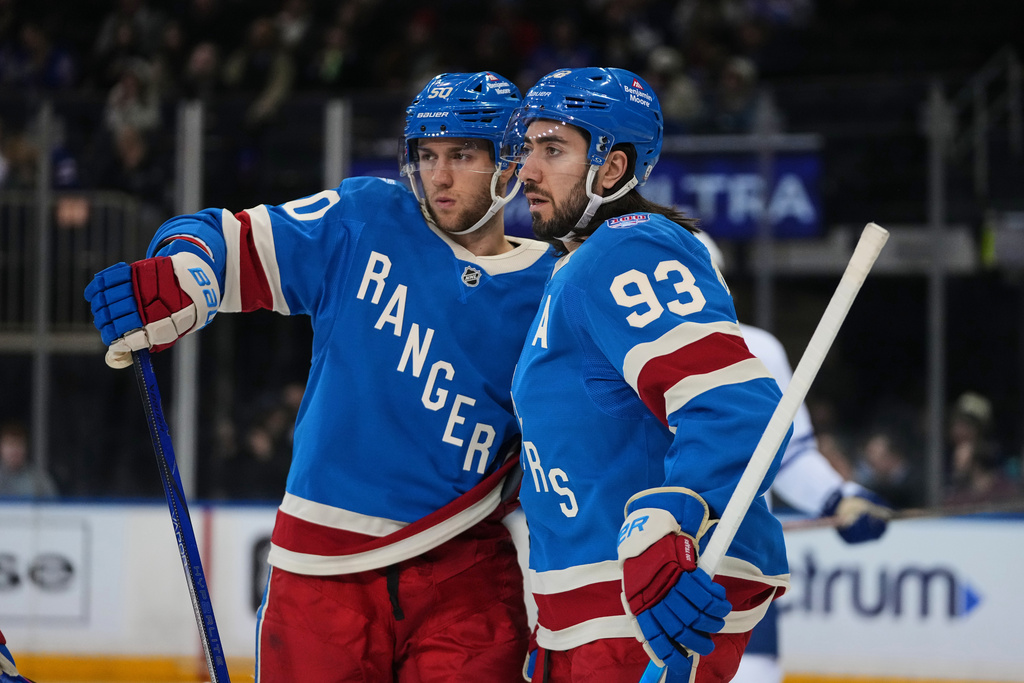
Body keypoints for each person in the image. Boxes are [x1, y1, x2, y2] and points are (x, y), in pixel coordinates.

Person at [84, 71, 553, 682]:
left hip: (466, 576)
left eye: (462, 155)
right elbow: (226, 239)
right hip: (321, 572)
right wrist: (187, 273)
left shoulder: (556, 284)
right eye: (428, 155)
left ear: (509, 164)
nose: (439, 176)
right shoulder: (365, 217)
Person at [505, 67, 791, 682]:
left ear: (611, 169)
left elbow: (737, 407)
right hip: (589, 615)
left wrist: (671, 521)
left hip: (639, 612)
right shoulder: (575, 266)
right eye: (527, 147)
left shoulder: (626, 249)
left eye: (553, 149)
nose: (527, 169)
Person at [693, 231, 891, 683]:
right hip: (641, 568)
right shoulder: (617, 353)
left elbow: (788, 456)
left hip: (740, 570)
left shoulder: (759, 350)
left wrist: (839, 498)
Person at [0, 420, 59, 498]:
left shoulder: (38, 480)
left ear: (26, 448)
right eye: (10, 444)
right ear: (1, 447)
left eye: (18, 445)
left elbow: (55, 506)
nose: (14, 451)